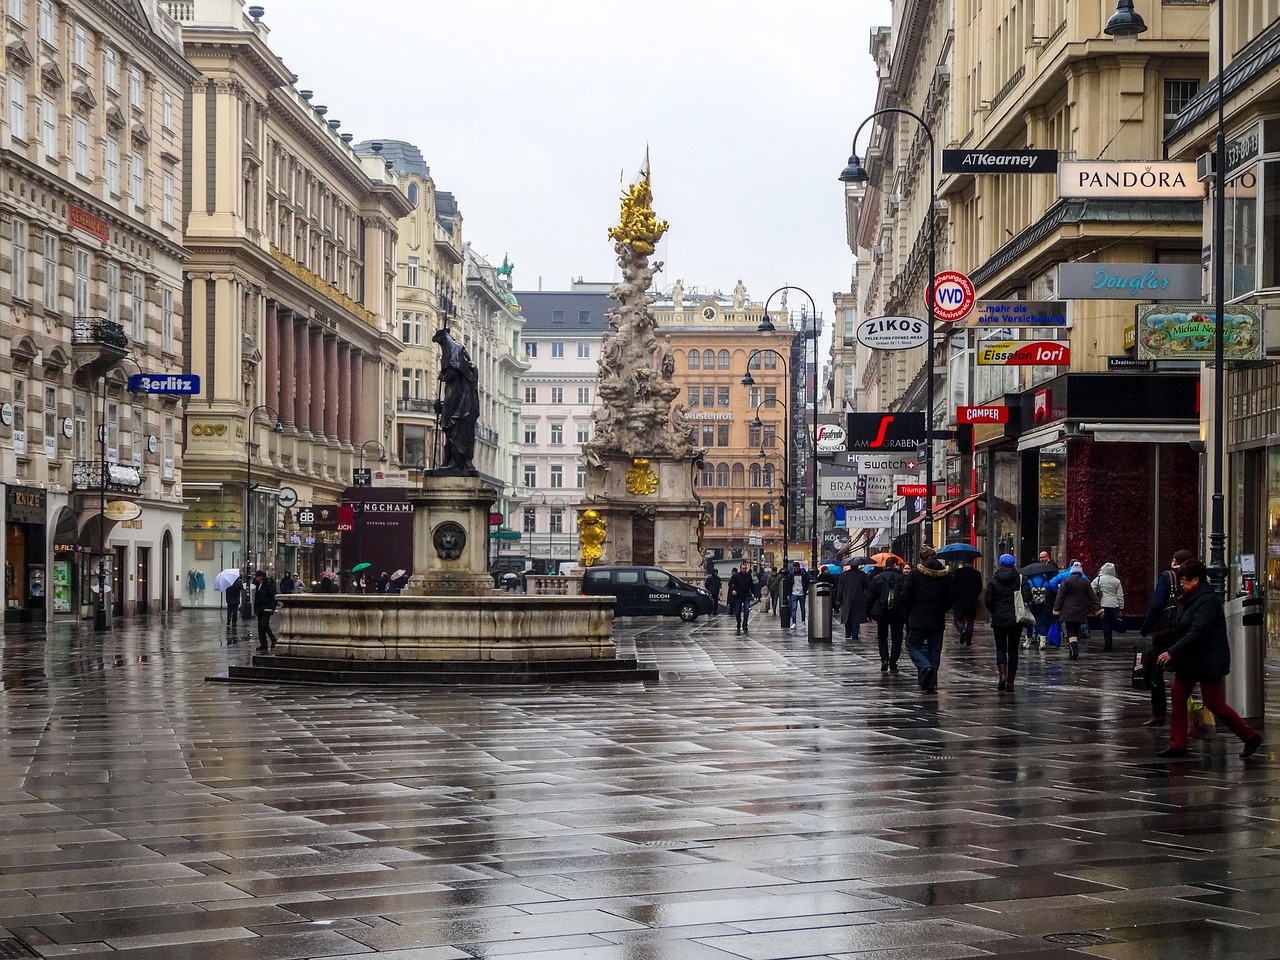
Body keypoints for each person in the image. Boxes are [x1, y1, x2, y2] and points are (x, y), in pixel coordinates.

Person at [1155, 559, 1262, 761]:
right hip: (1191, 659)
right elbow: (1184, 628)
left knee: (1214, 702)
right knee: (1178, 695)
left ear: (1196, 580)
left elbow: (1198, 631)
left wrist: (1172, 652)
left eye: (1185, 580)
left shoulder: (1207, 600)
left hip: (1206, 659)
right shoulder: (1190, 597)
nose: (1181, 584)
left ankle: (1250, 736)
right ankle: (1178, 745)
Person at [1138, 548, 1194, 726]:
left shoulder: (1168, 577)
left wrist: (1145, 628)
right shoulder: (1195, 579)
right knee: (1185, 673)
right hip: (1185, 632)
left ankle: (1159, 713)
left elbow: (1156, 604)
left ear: (1174, 561)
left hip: (1166, 632)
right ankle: (1188, 712)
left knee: (1155, 670)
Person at [901, 546, 955, 692]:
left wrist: (910, 610)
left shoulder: (915, 574)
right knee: (935, 650)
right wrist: (942, 609)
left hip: (918, 617)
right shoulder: (946, 574)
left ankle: (925, 667)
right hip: (937, 618)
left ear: (921, 558)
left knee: (913, 646)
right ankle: (930, 683)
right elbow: (951, 597)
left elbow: (905, 595)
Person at [432, 327, 480, 474]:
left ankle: (456, 462)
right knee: (451, 434)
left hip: (461, 409)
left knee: (455, 435)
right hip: (458, 406)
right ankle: (449, 462)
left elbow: (452, 370)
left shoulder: (460, 385)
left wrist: (443, 377)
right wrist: (441, 406)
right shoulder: (461, 383)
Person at [984, 554, 1023, 691]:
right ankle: (1011, 682)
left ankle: (1002, 675)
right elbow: (1028, 596)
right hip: (1015, 618)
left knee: (1000, 648)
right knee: (1013, 649)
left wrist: (994, 611)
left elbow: (988, 600)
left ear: (1000, 564)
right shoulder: (1020, 579)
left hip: (999, 618)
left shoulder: (994, 581)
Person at [868, 557, 907, 673]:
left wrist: (868, 611)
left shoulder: (878, 578)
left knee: (882, 636)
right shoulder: (902, 578)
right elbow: (907, 595)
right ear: (895, 565)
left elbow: (871, 596)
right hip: (898, 612)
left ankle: (884, 659)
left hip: (881, 612)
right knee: (897, 638)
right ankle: (893, 663)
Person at [1052, 561, 1098, 660]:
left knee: (1070, 630)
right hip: (1081, 610)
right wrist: (1098, 609)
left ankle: (1073, 648)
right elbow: (1092, 596)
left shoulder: (1066, 580)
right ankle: (1074, 646)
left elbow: (1060, 597)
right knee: (1076, 629)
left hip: (1068, 610)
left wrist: (1056, 609)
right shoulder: (1085, 582)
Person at [1023, 550, 1058, 649]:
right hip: (1042, 604)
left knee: (1030, 623)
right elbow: (1047, 593)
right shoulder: (1045, 581)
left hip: (1031, 604)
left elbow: (1026, 592)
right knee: (1041, 622)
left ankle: (1028, 642)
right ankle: (1042, 643)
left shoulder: (1029, 581)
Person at [951, 559, 984, 645]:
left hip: (959, 600)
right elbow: (979, 587)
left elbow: (953, 586)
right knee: (970, 620)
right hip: (971, 600)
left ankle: (962, 630)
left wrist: (954, 596)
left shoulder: (958, 573)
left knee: (958, 618)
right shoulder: (977, 574)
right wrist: (974, 597)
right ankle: (968, 640)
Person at [835, 562, 870, 641]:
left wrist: (838, 599)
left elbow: (840, 588)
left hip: (846, 598)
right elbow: (866, 587)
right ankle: (855, 635)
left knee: (847, 617)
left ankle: (848, 634)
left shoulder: (844, 575)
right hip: (859, 598)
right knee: (856, 618)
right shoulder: (862, 574)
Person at [1094, 562, 1125, 651]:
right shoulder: (1116, 581)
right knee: (1111, 624)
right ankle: (1110, 642)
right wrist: (1121, 607)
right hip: (1114, 605)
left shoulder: (1099, 579)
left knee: (1105, 624)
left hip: (1103, 604)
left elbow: (1091, 589)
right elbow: (1120, 595)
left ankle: (1107, 642)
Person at [727, 562, 758, 634]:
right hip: (738, 595)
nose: (744, 570)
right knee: (737, 611)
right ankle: (738, 622)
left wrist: (753, 593)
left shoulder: (748, 576)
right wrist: (733, 590)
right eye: (743, 568)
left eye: (745, 568)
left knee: (746, 610)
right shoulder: (736, 576)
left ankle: (745, 624)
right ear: (740, 568)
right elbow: (730, 584)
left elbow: (751, 585)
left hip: (746, 595)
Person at [252, 569, 278, 652]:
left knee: (264, 624)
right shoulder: (258, 585)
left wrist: (272, 608)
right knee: (260, 627)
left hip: (267, 608)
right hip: (259, 608)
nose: (256, 578)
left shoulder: (269, 585)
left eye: (257, 576)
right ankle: (263, 644)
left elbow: (274, 597)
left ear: (261, 577)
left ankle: (273, 638)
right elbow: (257, 597)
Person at [783, 560, 811, 629]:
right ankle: (794, 622)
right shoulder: (791, 574)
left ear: (799, 567)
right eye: (795, 568)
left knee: (802, 608)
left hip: (801, 593)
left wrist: (806, 589)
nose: (796, 569)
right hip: (794, 593)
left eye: (797, 568)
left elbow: (807, 581)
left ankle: (803, 621)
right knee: (794, 609)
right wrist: (788, 594)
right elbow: (789, 584)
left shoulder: (803, 573)